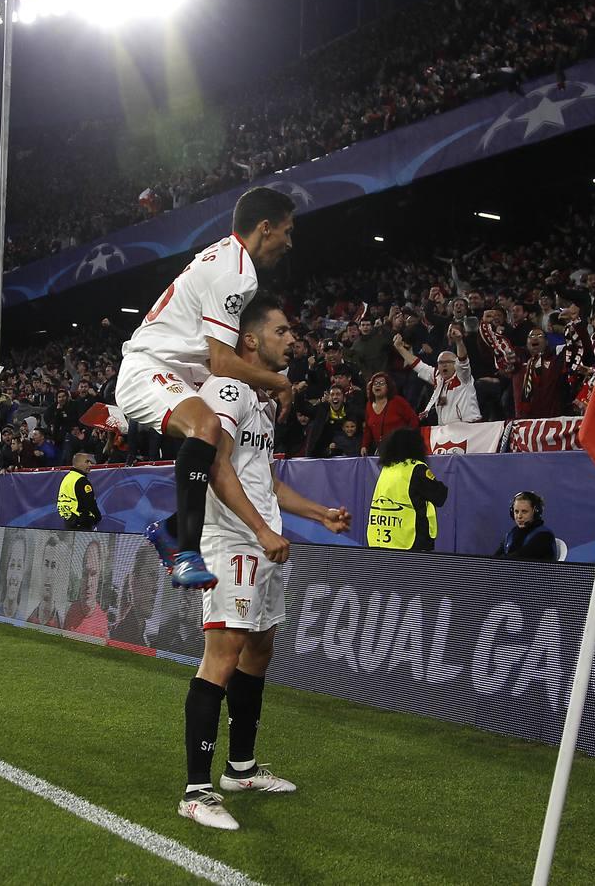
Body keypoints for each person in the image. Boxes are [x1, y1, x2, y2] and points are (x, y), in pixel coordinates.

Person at [167, 295, 351, 831]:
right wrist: (262, 529)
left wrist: (316, 513)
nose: (292, 339)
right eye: (282, 331)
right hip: (232, 541)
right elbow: (217, 465)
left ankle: (240, 768)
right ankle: (196, 790)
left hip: (261, 540)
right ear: (250, 340)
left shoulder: (263, 401)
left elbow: (260, 478)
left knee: (260, 647)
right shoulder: (226, 388)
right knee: (221, 656)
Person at [116, 187, 296, 589]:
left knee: (215, 455)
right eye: (287, 230)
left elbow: (222, 361)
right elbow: (221, 362)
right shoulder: (237, 273)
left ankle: (172, 531)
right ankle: (185, 550)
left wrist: (259, 384)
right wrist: (280, 383)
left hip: (176, 374)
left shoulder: (225, 256)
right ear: (266, 228)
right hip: (150, 367)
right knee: (207, 428)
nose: (289, 242)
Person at [367, 427, 448, 551]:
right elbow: (439, 496)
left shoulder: (387, 469)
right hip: (411, 541)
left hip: (383, 539)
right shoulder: (415, 468)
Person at [393, 325, 481, 424]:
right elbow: (418, 364)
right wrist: (400, 348)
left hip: (469, 428)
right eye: (441, 363)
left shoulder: (463, 376)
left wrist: (459, 342)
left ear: (455, 364)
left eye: (448, 362)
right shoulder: (437, 377)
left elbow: (463, 361)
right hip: (446, 431)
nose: (444, 365)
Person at [109, 542, 161, 646]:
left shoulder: (143, 640)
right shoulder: (117, 637)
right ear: (133, 581)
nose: (156, 588)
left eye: (157, 579)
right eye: (151, 575)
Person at [360, 372, 419, 456]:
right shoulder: (369, 405)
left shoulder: (398, 401)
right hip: (382, 450)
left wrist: (409, 440)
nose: (378, 385)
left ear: (388, 387)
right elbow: (368, 429)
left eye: (381, 383)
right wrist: (364, 446)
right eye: (375, 383)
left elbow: (413, 420)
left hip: (401, 448)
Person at [64, 539, 109, 638]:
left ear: (99, 578)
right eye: (85, 574)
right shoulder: (69, 612)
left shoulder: (104, 623)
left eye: (93, 574)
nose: (88, 583)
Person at [495, 491, 557, 560]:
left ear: (536, 512)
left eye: (524, 511)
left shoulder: (544, 536)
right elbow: (494, 559)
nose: (519, 516)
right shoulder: (512, 534)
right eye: (516, 511)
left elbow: (518, 559)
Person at [57, 453, 102, 531]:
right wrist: (98, 517)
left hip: (69, 521)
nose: (90, 465)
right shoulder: (81, 480)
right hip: (81, 523)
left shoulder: (67, 478)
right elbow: (90, 503)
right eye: (87, 462)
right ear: (78, 463)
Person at [27, 535, 64, 627]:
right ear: (41, 567)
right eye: (46, 564)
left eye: (53, 566)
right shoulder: (29, 620)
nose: (48, 574)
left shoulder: (62, 625)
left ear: (58, 571)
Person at [0, 532, 28, 618]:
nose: (14, 576)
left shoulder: (23, 620)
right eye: (12, 565)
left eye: (19, 566)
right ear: (7, 569)